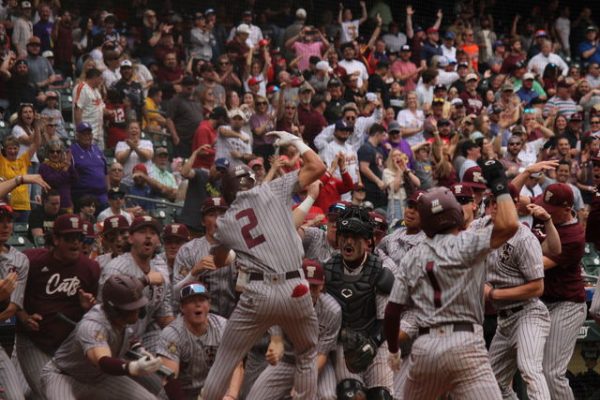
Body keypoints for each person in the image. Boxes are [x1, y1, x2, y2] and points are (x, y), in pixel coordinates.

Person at [202, 129, 326, 399]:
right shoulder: (272, 189)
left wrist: (236, 253)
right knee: (306, 353)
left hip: (257, 294)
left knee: (226, 358)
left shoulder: (224, 224)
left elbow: (220, 260)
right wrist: (296, 141)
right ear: (252, 181)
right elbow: (318, 166)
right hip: (296, 288)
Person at [384, 161, 520, 399]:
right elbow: (509, 224)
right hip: (466, 343)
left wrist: (394, 351)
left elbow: (392, 311)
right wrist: (500, 184)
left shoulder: (412, 257)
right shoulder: (468, 242)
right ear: (455, 214)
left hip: (425, 346)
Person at [16, 214, 100, 399]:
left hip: (70, 345)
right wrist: (24, 317)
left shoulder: (91, 268)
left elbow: (98, 318)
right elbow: (13, 297)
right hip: (34, 342)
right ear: (55, 239)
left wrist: (88, 308)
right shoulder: (32, 261)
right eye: (69, 238)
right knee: (51, 394)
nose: (75, 243)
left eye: (78, 238)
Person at [40, 274, 161, 399]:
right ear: (115, 310)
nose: (137, 312)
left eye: (138, 307)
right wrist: (132, 367)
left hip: (99, 378)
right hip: (65, 376)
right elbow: (102, 361)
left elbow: (129, 337)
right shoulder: (92, 325)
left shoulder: (122, 319)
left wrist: (140, 351)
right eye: (131, 308)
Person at [482, 194, 553, 399]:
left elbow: (537, 288)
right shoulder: (481, 227)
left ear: (513, 207)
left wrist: (494, 293)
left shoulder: (524, 238)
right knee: (490, 384)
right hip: (504, 320)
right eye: (492, 202)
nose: (495, 207)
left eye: (501, 203)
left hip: (528, 313)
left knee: (529, 369)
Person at [322, 205, 394, 398]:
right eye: (344, 235)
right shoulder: (328, 270)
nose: (348, 242)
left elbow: (385, 318)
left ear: (367, 241)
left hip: (375, 340)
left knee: (380, 396)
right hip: (344, 344)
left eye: (355, 237)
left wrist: (372, 343)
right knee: (350, 394)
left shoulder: (380, 270)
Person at [247, 259, 341, 399]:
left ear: (322, 285)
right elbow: (276, 337)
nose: (309, 292)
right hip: (287, 360)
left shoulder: (332, 311)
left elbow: (322, 354)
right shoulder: (282, 301)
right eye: (305, 285)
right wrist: (275, 344)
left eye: (314, 287)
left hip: (314, 363)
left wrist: (302, 383)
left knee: (327, 396)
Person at [534, 183, 587, 399]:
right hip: (542, 302)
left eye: (551, 210)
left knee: (551, 372)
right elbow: (518, 201)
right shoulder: (546, 212)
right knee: (532, 369)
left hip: (566, 305)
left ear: (567, 209)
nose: (545, 212)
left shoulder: (574, 236)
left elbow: (535, 265)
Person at [99, 216, 175, 353]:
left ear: (158, 241)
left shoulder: (158, 270)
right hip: (112, 338)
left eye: (153, 233)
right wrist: (144, 280)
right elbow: (106, 313)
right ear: (130, 238)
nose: (148, 237)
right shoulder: (116, 269)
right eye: (142, 232)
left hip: (143, 336)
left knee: (171, 349)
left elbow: (162, 313)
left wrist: (182, 330)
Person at [158, 282, 243, 399]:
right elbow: (169, 379)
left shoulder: (223, 327)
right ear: (182, 307)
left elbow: (236, 365)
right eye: (192, 301)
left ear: (209, 304)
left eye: (202, 300)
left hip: (210, 393)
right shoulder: (172, 333)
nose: (198, 304)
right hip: (177, 395)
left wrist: (231, 396)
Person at [172, 197, 237, 318]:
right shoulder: (188, 250)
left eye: (222, 215)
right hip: (198, 320)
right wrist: (194, 273)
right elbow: (176, 295)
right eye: (212, 215)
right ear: (203, 221)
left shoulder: (239, 249)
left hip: (232, 321)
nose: (218, 220)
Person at [0, 202, 29, 400]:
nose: (5, 226)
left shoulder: (20, 259)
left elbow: (13, 307)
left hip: (6, 333)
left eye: (9, 221)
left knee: (18, 396)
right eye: (0, 221)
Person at [0, 121, 40, 222]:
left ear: (18, 149)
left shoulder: (23, 160)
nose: (12, 151)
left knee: (23, 232)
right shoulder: (2, 161)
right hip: (8, 206)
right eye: (9, 148)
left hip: (25, 206)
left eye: (15, 148)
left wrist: (37, 126)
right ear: (4, 150)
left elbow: (36, 144)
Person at [166, 75, 203, 158]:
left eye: (192, 85)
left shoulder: (197, 101)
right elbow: (169, 119)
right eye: (187, 85)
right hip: (183, 139)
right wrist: (175, 137)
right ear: (182, 86)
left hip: (196, 139)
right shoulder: (175, 101)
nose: (190, 87)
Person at [73, 68, 108, 149]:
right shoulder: (81, 87)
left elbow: (102, 109)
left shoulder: (96, 91)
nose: (101, 81)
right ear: (95, 78)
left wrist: (112, 112)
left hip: (98, 135)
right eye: (100, 78)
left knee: (99, 160)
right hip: (86, 136)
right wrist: (80, 133)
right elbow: (77, 110)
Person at [39, 141, 77, 212]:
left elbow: (75, 179)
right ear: (47, 153)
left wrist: (69, 166)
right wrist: (65, 169)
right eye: (52, 151)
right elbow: (53, 181)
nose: (55, 154)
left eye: (58, 152)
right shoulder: (44, 166)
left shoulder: (65, 164)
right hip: (51, 207)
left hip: (66, 205)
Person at [358, 123, 388, 211]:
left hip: (379, 190)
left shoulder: (379, 149)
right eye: (383, 136)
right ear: (377, 134)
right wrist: (378, 181)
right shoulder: (366, 148)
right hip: (370, 189)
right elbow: (364, 168)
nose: (384, 139)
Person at [115, 121, 153, 186]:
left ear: (140, 131)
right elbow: (120, 159)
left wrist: (135, 147)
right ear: (127, 132)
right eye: (131, 128)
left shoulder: (147, 143)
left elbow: (146, 156)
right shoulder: (120, 144)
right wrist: (131, 148)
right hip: (126, 183)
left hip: (146, 183)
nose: (134, 130)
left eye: (136, 128)